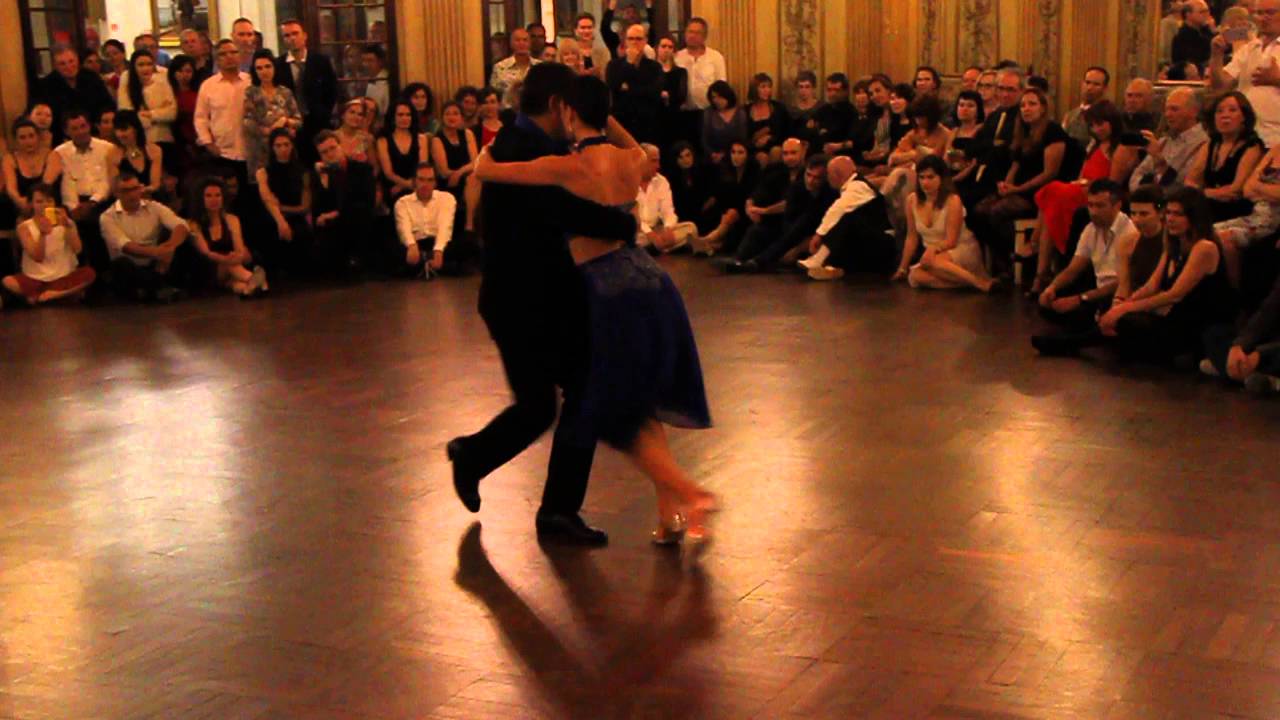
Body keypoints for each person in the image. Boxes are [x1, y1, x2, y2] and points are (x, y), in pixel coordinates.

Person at [473, 74, 716, 552]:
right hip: (650, 281)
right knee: (644, 402)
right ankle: (670, 513)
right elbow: (637, 148)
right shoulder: (634, 159)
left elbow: (490, 172)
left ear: (566, 112)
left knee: (617, 409)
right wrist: (607, 116)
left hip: (604, 291)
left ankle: (692, 493)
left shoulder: (566, 166)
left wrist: (484, 155)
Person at [445, 63, 641, 547]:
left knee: (547, 403)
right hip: (524, 300)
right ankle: (545, 504)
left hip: (531, 295)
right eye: (570, 104)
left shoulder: (515, 143)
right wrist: (623, 225)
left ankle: (484, 463)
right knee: (565, 398)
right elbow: (563, 209)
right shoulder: (523, 150)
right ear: (557, 105)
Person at [1100, 186, 1236, 363]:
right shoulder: (1174, 244)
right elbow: (1151, 287)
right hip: (1174, 317)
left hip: (1197, 324)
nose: (1170, 219)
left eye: (1178, 214)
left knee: (1126, 323)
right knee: (1115, 317)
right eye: (1169, 213)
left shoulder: (1204, 248)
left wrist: (1124, 309)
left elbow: (1174, 295)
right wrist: (1120, 305)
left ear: (1194, 217)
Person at [1028, 100, 1135, 293]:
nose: (1096, 129)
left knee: (1052, 191)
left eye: (1100, 124)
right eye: (1093, 125)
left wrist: (1086, 185)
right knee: (1053, 197)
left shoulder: (1121, 148)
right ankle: (1041, 271)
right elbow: (1082, 175)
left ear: (1112, 121)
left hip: (1101, 195)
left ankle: (1037, 259)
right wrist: (1080, 183)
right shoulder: (1094, 144)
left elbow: (1113, 185)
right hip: (1083, 190)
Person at [1030, 180, 1137, 355]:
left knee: (1104, 314)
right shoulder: (1090, 229)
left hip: (1117, 293)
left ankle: (1071, 341)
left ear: (1117, 205)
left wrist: (1081, 299)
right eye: (1090, 205)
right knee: (1049, 304)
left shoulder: (1129, 233)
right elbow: (1074, 268)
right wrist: (1052, 287)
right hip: (1097, 292)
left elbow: (1123, 281)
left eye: (1100, 206)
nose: (1093, 212)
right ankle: (1089, 327)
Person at [723, 150, 837, 273]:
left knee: (802, 225)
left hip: (815, 237)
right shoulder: (798, 187)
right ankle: (740, 260)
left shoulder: (831, 194)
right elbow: (789, 219)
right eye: (808, 175)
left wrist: (796, 249)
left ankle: (756, 262)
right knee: (759, 230)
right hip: (793, 232)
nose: (810, 181)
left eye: (817, 178)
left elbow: (812, 224)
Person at [893, 155, 995, 292]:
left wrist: (933, 249)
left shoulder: (952, 200)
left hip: (959, 248)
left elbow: (951, 241)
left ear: (941, 178)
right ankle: (967, 283)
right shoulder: (912, 200)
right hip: (933, 255)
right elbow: (911, 237)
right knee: (915, 276)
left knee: (934, 263)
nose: (925, 182)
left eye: (930, 177)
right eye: (921, 177)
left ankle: (980, 283)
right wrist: (903, 268)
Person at [100, 171, 195, 303]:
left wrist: (170, 247)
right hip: (130, 264)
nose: (132, 194)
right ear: (116, 193)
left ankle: (152, 291)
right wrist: (157, 253)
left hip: (156, 264)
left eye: (135, 189)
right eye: (126, 191)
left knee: (185, 243)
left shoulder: (154, 207)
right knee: (121, 265)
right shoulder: (107, 217)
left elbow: (181, 226)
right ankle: (157, 289)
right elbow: (126, 246)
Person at [797, 155, 894, 280]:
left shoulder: (858, 187)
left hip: (883, 245)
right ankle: (832, 267)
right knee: (845, 221)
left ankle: (819, 259)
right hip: (869, 243)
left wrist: (819, 234)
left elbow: (838, 209)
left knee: (848, 218)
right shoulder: (852, 186)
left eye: (829, 174)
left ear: (837, 175)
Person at [1, 184, 96, 305]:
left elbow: (77, 249)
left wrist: (68, 226)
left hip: (62, 277)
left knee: (89, 273)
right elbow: (37, 257)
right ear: (32, 204)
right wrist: (42, 235)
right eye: (39, 201)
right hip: (35, 279)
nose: (45, 205)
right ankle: (62, 296)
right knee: (7, 281)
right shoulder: (24, 227)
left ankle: (52, 296)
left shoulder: (66, 223)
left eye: (49, 201)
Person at [49, 110, 115, 275]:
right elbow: (67, 184)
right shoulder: (60, 152)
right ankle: (82, 275)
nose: (81, 131)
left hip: (102, 200)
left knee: (97, 222)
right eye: (75, 128)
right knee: (72, 224)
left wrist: (93, 202)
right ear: (66, 131)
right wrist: (73, 208)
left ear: (89, 126)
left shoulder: (107, 148)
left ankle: (102, 275)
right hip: (74, 203)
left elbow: (107, 181)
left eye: (83, 126)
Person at [1185, 90, 1264, 223]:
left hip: (1236, 211)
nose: (1225, 115)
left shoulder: (1252, 146)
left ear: (1244, 117)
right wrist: (1209, 193)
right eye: (1219, 111)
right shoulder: (1211, 144)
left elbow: (1235, 190)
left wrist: (1203, 192)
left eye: (1232, 110)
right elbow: (1190, 181)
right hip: (1206, 206)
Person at [311, 130, 377, 275]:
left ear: (340, 146)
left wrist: (337, 213)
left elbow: (367, 201)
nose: (330, 154)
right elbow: (318, 206)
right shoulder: (321, 174)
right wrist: (324, 183)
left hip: (356, 219)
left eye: (333, 148)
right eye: (324, 152)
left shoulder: (362, 169)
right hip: (334, 224)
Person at [392, 162, 475, 277]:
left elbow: (445, 226)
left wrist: (439, 250)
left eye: (430, 180)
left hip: (440, 243)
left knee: (468, 244)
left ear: (435, 183)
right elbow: (403, 228)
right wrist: (411, 245)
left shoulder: (447, 199)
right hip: (415, 245)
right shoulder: (402, 202)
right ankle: (433, 265)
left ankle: (423, 263)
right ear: (414, 181)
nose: (425, 184)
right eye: (421, 179)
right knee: (389, 249)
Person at [188, 177, 267, 296]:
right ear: (201, 199)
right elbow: (206, 253)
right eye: (208, 196)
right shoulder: (193, 224)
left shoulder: (232, 219)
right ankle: (255, 279)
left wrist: (236, 256)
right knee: (230, 265)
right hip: (209, 269)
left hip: (233, 267)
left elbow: (239, 249)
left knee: (236, 283)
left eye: (217, 195)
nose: (214, 199)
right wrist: (227, 259)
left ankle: (249, 288)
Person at [195, 40, 253, 193]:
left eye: (233, 52)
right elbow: (200, 118)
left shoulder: (251, 82)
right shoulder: (208, 86)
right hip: (222, 153)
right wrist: (208, 143)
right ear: (216, 59)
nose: (229, 57)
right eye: (223, 54)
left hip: (251, 152)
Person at [277, 19, 339, 160]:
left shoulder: (321, 61)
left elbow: (332, 91)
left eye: (295, 33)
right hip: (291, 127)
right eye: (287, 35)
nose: (292, 38)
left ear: (304, 35)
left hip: (319, 124)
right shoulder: (278, 65)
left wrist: (324, 113)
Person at [255, 128, 313, 275]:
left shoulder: (303, 172)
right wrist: (280, 219)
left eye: (286, 145)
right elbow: (266, 199)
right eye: (278, 146)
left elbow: (305, 206)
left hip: (295, 215)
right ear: (272, 148)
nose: (283, 149)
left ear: (292, 146)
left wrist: (281, 208)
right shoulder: (263, 172)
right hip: (272, 216)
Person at [1129, 88, 1209, 192]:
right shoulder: (1163, 142)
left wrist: (1158, 159)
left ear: (1194, 112)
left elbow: (1182, 189)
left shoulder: (1204, 145)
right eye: (1166, 109)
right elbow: (1134, 181)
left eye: (1174, 109)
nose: (1167, 114)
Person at [242, 49, 303, 181]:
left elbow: (298, 120)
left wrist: (285, 121)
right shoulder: (251, 93)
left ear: (274, 67)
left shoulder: (285, 92)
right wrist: (269, 131)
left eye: (268, 66)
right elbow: (247, 122)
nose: (264, 71)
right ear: (255, 71)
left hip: (284, 150)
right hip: (260, 152)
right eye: (259, 68)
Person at [37, 45, 115, 142]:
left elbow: (107, 105)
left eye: (71, 61)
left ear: (77, 60)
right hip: (62, 138)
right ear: (55, 66)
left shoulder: (92, 77)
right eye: (62, 64)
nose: (68, 66)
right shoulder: (46, 85)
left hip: (95, 135)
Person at [606, 24, 664, 144]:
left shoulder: (655, 67)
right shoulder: (613, 65)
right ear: (625, 41)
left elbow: (654, 93)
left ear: (645, 41)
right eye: (631, 39)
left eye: (638, 39)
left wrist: (628, 88)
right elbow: (614, 87)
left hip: (648, 123)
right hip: (622, 123)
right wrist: (630, 64)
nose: (634, 42)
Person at [675, 17, 727, 150]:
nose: (692, 36)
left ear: (704, 36)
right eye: (689, 31)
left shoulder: (715, 57)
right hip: (683, 114)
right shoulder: (677, 57)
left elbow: (721, 86)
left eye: (697, 33)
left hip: (708, 113)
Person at [635, 143, 697, 253]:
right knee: (627, 239)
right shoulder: (628, 183)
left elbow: (668, 211)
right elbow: (634, 218)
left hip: (657, 231)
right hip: (638, 232)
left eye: (658, 161)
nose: (658, 166)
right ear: (641, 160)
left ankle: (652, 249)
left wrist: (668, 228)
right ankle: (661, 248)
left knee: (691, 228)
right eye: (654, 161)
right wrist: (649, 234)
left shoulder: (661, 181)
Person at [431, 101, 481, 235]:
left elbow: (476, 161)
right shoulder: (437, 139)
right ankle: (469, 225)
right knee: (473, 179)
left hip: (465, 177)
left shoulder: (467, 134)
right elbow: (444, 170)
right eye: (447, 114)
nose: (451, 117)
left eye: (455, 113)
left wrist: (459, 173)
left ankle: (469, 223)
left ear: (461, 117)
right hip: (448, 181)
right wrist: (459, 174)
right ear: (442, 117)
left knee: (473, 178)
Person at [118, 49, 178, 157]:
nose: (145, 68)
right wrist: (159, 113)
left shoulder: (162, 82)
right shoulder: (127, 84)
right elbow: (127, 117)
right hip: (139, 143)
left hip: (164, 140)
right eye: (141, 65)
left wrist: (150, 114)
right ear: (134, 67)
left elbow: (172, 113)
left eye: (149, 64)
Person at [378, 100, 430, 206]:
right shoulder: (383, 140)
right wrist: (406, 184)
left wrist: (408, 185)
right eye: (400, 115)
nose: (405, 118)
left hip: (417, 183)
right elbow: (388, 172)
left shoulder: (421, 138)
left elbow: (423, 167)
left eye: (408, 115)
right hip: (393, 185)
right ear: (393, 117)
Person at [3, 120, 56, 225]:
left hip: (47, 203)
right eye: (22, 137)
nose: (28, 141)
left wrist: (35, 205)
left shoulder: (52, 155)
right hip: (22, 206)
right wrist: (21, 202)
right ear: (16, 140)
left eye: (31, 136)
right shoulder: (10, 159)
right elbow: (11, 189)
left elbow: (45, 185)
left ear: (38, 137)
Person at [108, 110, 164, 198]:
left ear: (135, 129)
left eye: (124, 129)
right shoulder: (113, 154)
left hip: (151, 198)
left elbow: (155, 185)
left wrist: (143, 191)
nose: (119, 134)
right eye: (117, 130)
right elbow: (115, 190)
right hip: (125, 201)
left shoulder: (154, 150)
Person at [745, 73, 789, 166]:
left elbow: (785, 132)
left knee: (776, 151)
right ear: (754, 89)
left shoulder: (778, 108)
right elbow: (743, 136)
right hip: (754, 149)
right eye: (763, 87)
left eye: (769, 87)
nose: (767, 90)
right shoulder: (746, 110)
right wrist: (755, 142)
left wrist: (770, 138)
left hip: (775, 145)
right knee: (762, 157)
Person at [490, 28, 540, 108]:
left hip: (534, 113)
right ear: (511, 43)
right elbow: (493, 95)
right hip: (507, 113)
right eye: (517, 40)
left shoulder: (540, 67)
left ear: (530, 43)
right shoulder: (500, 67)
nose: (521, 43)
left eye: (525, 40)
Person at [1062, 66, 1110, 149]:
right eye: (1087, 82)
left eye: (1096, 84)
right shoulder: (1070, 115)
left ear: (1105, 88)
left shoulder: (1107, 116)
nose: (1090, 88)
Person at [701, 80, 747, 165]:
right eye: (714, 97)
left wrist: (724, 154)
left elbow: (742, 138)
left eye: (720, 97)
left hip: (735, 154)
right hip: (713, 155)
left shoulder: (740, 113)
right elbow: (704, 139)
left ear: (728, 96)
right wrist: (712, 154)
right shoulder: (708, 113)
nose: (716, 100)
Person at [655, 34, 688, 151]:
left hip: (674, 117)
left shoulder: (680, 72)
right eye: (663, 46)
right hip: (655, 117)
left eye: (670, 47)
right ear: (657, 48)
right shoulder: (651, 70)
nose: (666, 50)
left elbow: (682, 95)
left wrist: (668, 95)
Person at [1173, 0, 1216, 70]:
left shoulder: (1205, 30)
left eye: (1207, 11)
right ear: (1188, 14)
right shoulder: (1182, 37)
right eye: (1202, 12)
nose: (1207, 15)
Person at [360, 44, 391, 118]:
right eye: (363, 60)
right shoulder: (366, 79)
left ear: (380, 62)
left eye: (370, 60)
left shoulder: (386, 82)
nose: (366, 64)